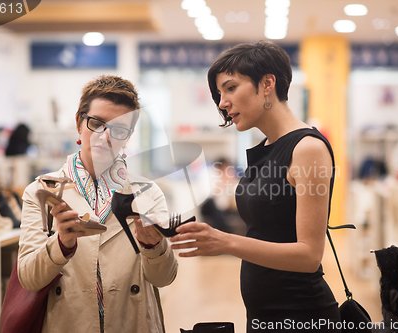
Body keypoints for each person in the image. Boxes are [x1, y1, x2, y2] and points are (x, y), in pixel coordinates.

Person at [169, 41, 340, 332]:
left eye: (231, 88)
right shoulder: (265, 146)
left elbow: (310, 256)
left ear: (267, 84)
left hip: (301, 314)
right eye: (220, 94)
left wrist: (225, 242)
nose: (222, 102)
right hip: (263, 313)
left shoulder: (307, 149)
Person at [17, 75, 177, 333]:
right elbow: (28, 278)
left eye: (119, 129)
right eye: (97, 124)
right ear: (79, 123)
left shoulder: (147, 192)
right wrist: (61, 244)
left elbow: (164, 277)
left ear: (129, 135)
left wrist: (153, 245)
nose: (105, 137)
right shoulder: (41, 192)